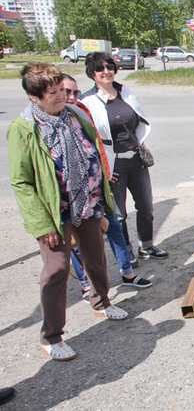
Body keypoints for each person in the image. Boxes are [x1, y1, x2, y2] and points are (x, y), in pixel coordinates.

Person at [7, 62, 129, 361]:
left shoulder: (74, 115)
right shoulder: (24, 129)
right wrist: (42, 224)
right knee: (57, 270)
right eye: (54, 93)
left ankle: (101, 304)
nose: (63, 96)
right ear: (34, 96)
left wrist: (101, 204)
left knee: (96, 257)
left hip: (87, 203)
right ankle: (52, 336)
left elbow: (95, 154)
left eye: (63, 90)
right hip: (54, 213)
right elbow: (21, 181)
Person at [62, 74, 152, 292]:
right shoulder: (53, 123)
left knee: (114, 229)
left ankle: (127, 273)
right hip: (72, 196)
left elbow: (99, 144)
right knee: (78, 242)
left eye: (75, 92)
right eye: (66, 92)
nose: (72, 97)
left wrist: (105, 168)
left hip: (96, 189)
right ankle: (86, 285)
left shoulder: (81, 115)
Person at [80, 52, 169, 265]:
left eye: (109, 67)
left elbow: (138, 120)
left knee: (146, 207)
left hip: (135, 159)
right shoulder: (88, 100)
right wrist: (102, 167)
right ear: (92, 73)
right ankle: (125, 252)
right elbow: (87, 139)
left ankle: (146, 246)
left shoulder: (124, 91)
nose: (106, 72)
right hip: (113, 164)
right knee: (119, 215)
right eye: (100, 69)